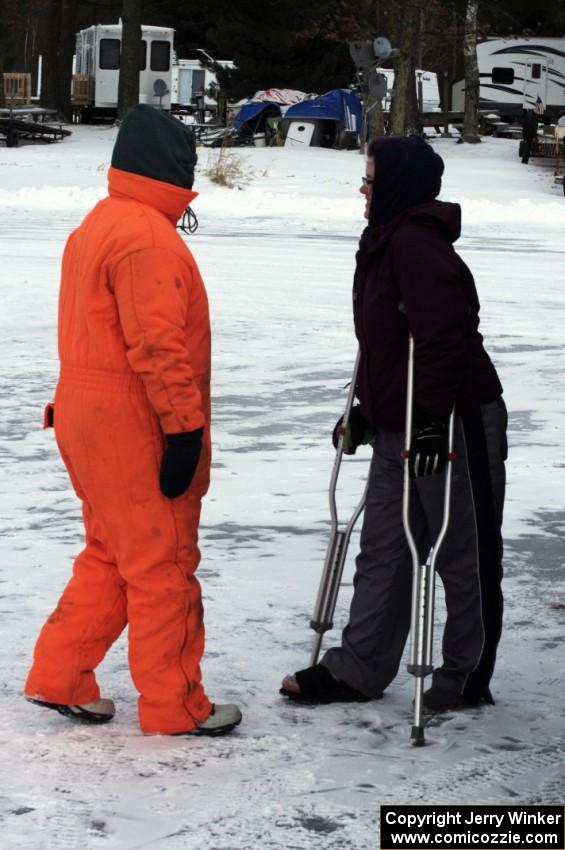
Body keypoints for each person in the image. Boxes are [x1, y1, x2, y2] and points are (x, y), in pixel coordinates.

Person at [24, 105, 242, 736]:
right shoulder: (148, 238)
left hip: (82, 418)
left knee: (111, 553)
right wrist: (184, 430)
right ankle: (176, 705)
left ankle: (60, 673)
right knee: (162, 565)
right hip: (133, 424)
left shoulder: (99, 223)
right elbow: (158, 348)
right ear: (172, 167)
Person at [281, 136, 507, 712]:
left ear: (398, 186)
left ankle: (464, 673)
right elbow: (383, 348)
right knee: (384, 546)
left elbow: (442, 339)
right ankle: (357, 669)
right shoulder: (382, 241)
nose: (363, 188)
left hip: (453, 422)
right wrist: (365, 414)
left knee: (462, 550)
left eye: (371, 179)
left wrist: (431, 423)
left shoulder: (417, 246)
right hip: (398, 425)